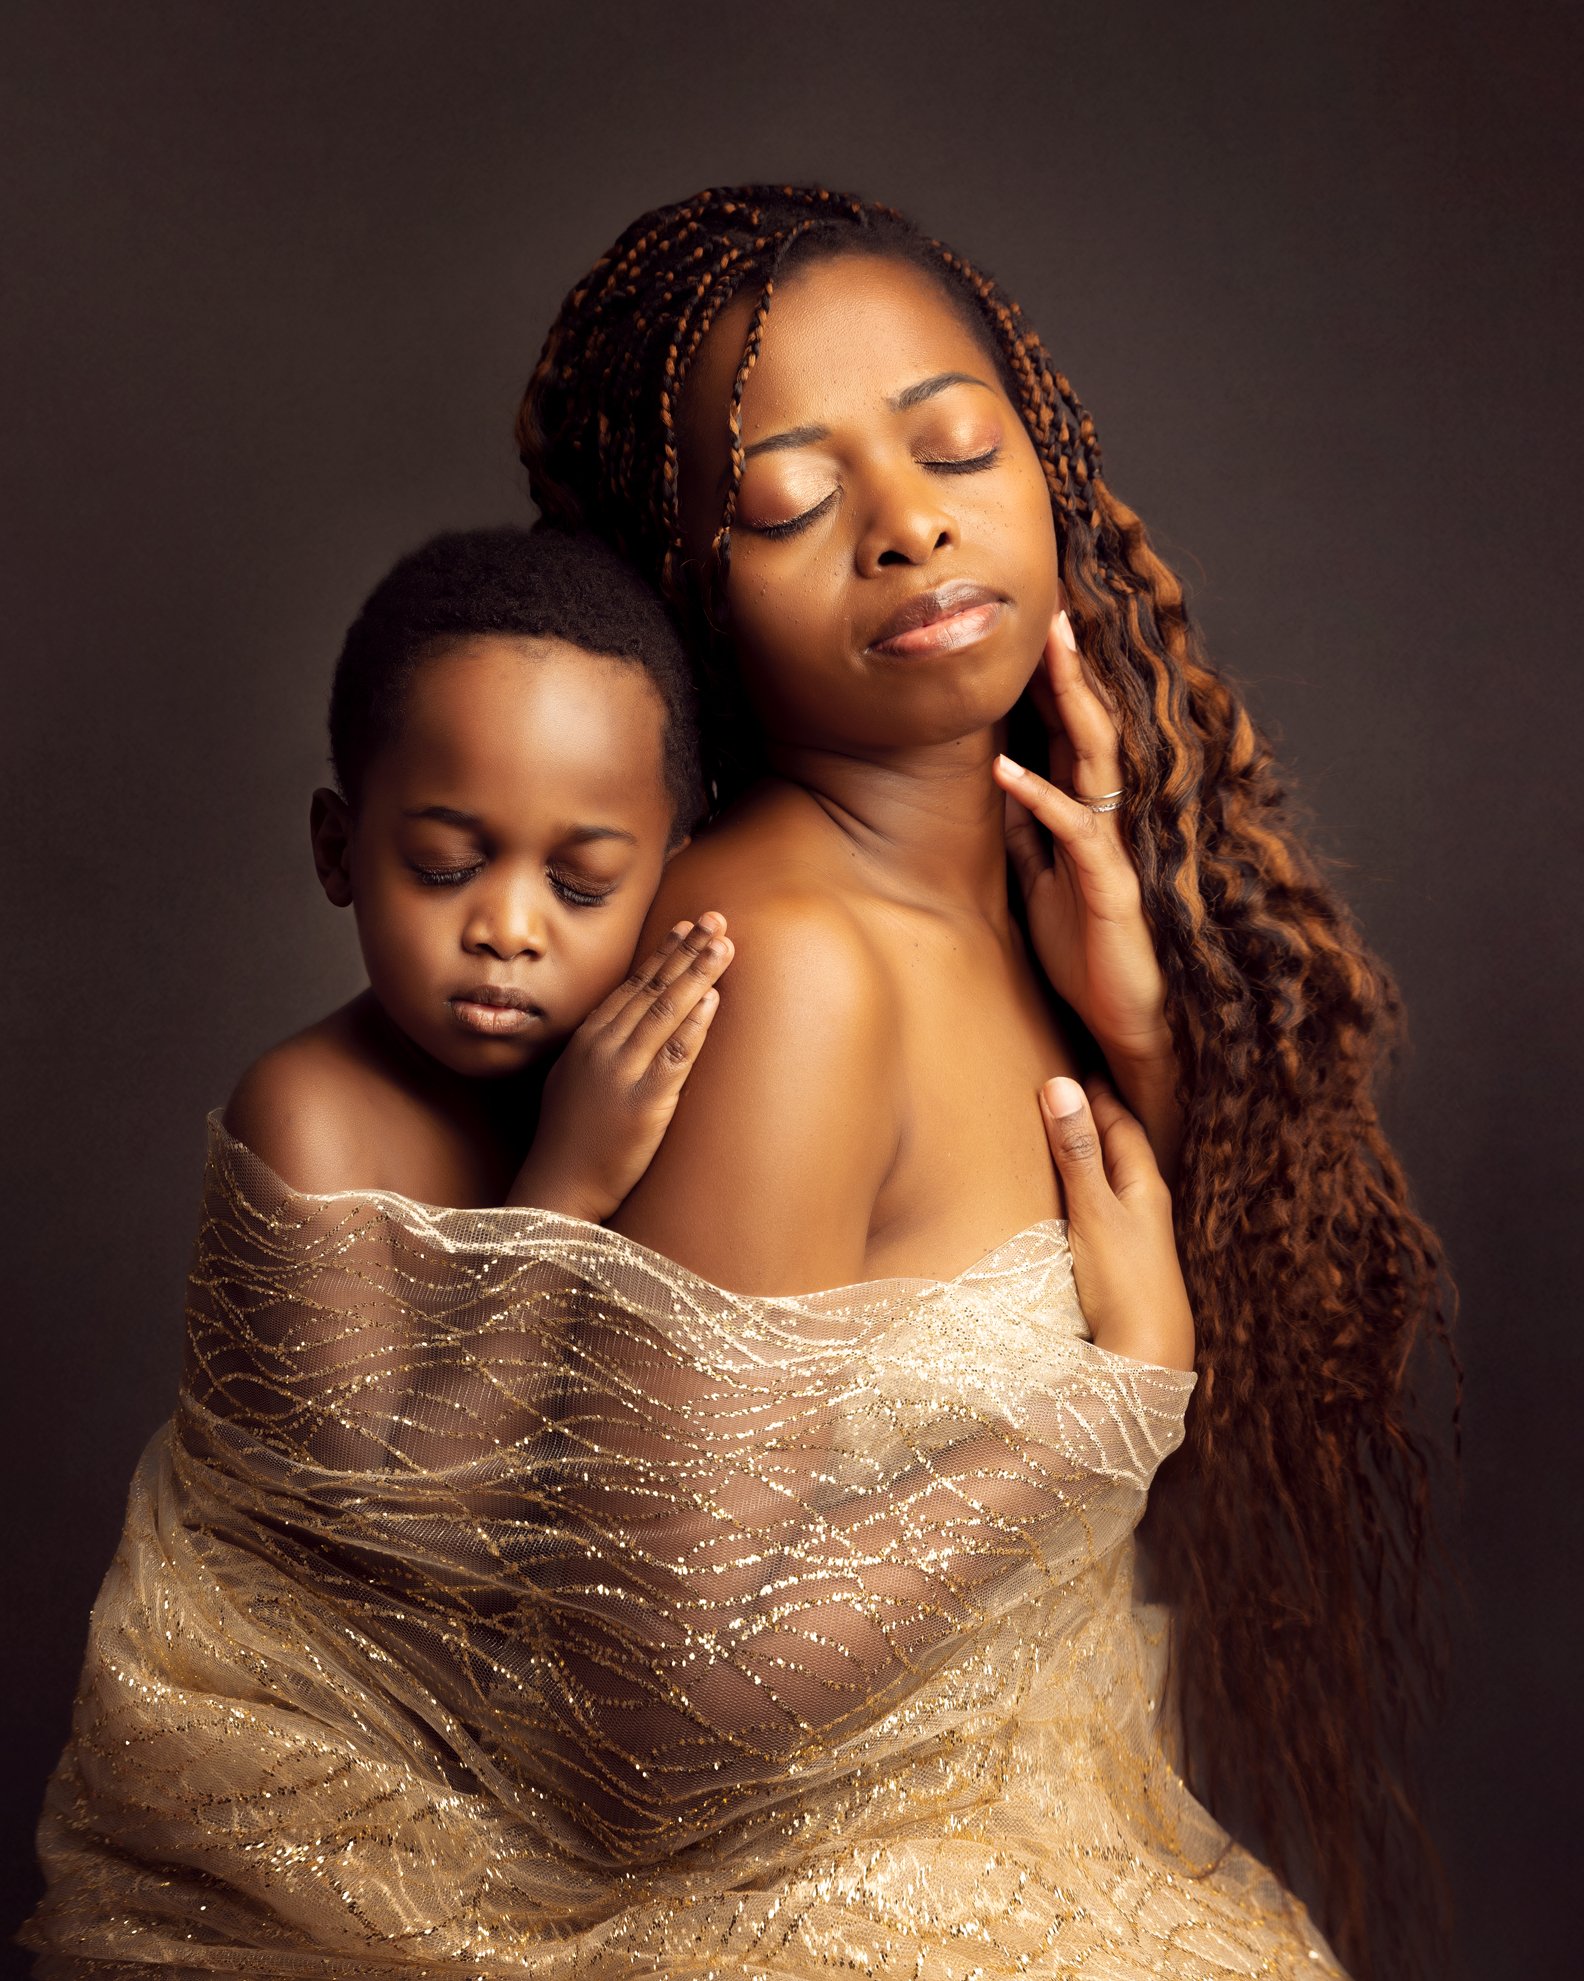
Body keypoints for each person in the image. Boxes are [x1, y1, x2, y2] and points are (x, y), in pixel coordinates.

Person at [514, 186, 1456, 1978]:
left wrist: (1146, 1043)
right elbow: (653, 1713)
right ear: (680, 592)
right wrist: (1100, 1411)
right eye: (790, 499)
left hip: (1033, 1836)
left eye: (955, 445)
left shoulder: (1034, 913)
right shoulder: (779, 970)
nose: (908, 522)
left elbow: (1139, 1323)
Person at [225, 523, 736, 1213]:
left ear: (666, 880)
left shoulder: (685, 1089)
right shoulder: (306, 1119)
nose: (508, 930)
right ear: (338, 851)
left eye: (582, 882)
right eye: (446, 866)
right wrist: (569, 1183)